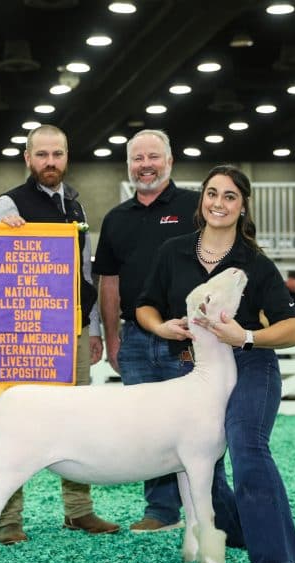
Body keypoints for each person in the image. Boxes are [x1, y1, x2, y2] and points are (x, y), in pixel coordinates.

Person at [136, 164, 295, 563]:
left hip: (250, 365)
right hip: (192, 368)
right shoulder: (173, 251)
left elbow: (293, 329)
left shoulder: (256, 263)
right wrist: (161, 328)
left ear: (242, 206)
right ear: (202, 201)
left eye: (230, 196)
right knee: (202, 469)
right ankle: (245, 534)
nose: (219, 203)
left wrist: (245, 336)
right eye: (212, 194)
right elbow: (146, 306)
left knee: (247, 447)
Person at [0, 124, 120, 544]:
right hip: (26, 334)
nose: (50, 162)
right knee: (19, 422)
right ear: (28, 158)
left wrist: (94, 326)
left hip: (74, 329)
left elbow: (84, 274)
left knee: (77, 420)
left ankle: (78, 511)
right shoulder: (7, 204)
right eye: (41, 154)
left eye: (57, 154)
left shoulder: (76, 206)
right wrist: (3, 233)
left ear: (66, 157)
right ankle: (9, 520)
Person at [92, 129, 199, 533]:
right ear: (128, 166)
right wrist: (112, 336)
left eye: (153, 157)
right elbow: (110, 283)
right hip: (136, 338)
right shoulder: (116, 219)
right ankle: (161, 510)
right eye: (137, 159)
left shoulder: (195, 207)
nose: (146, 165)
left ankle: (210, 506)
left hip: (186, 338)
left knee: (196, 425)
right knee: (148, 428)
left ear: (169, 162)